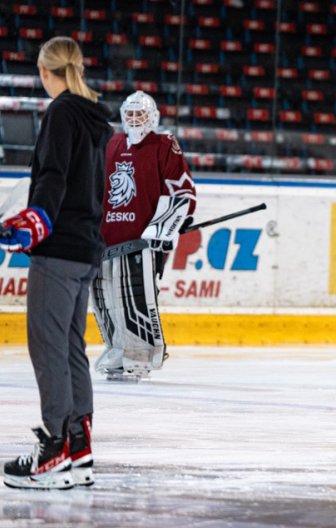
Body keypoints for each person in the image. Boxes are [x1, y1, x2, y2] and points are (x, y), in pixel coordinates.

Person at [0, 36, 113, 489]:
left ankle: (53, 453)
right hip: (86, 246)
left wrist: (36, 221)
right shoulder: (96, 117)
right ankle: (78, 447)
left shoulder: (63, 112)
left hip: (60, 249)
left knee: (47, 349)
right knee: (69, 348)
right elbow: (93, 185)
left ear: (47, 73)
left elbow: (53, 175)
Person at [91, 90, 196, 382]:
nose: (135, 119)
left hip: (140, 242)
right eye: (130, 114)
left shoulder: (164, 144)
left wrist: (166, 225)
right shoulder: (110, 144)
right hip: (105, 238)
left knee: (133, 298)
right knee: (105, 298)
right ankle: (116, 349)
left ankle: (139, 355)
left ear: (152, 117)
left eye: (141, 114)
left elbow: (182, 189)